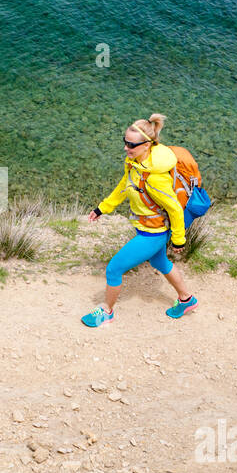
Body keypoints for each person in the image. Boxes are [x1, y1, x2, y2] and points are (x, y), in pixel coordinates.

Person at [81, 113, 197, 326]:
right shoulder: (135, 164)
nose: (126, 148)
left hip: (153, 234)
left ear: (147, 145)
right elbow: (124, 186)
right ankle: (186, 300)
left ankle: (107, 312)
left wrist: (179, 239)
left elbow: (175, 209)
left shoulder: (154, 178)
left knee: (114, 269)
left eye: (131, 145)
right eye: (125, 142)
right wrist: (102, 208)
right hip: (148, 229)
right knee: (159, 262)